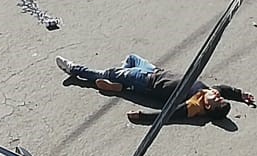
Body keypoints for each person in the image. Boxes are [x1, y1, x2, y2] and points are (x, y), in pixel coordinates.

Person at [56, 53, 255, 124]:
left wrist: (142, 116)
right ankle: (122, 87)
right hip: (154, 70)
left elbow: (167, 115)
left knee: (106, 73)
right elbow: (225, 89)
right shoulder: (209, 93)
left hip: (148, 81)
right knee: (131, 58)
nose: (218, 94)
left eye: (217, 100)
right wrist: (241, 95)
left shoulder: (193, 105)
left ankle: (75, 70)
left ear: (209, 108)